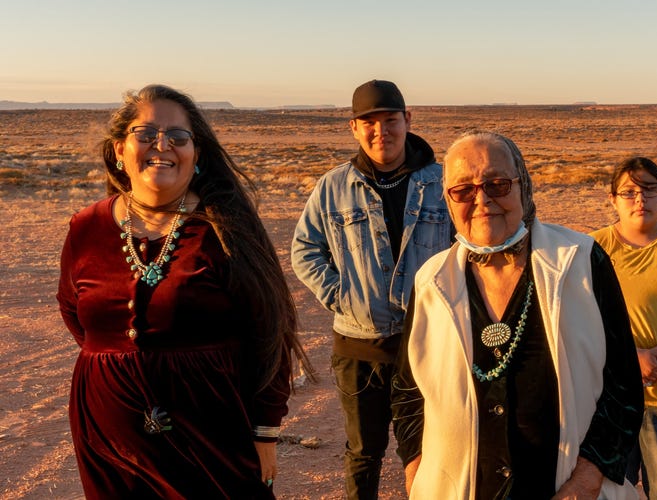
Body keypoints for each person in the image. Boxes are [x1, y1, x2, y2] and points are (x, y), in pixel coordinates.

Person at [57, 84, 310, 498]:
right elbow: (73, 310)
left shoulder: (226, 230)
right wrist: (117, 365)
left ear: (197, 155)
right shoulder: (86, 227)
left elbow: (270, 331)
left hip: (210, 432)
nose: (163, 145)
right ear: (120, 150)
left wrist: (265, 432)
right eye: (146, 134)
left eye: (179, 137)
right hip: (108, 433)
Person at [391, 130, 644, 499]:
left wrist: (587, 482)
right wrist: (417, 471)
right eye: (463, 190)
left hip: (566, 489)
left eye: (497, 183)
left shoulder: (581, 261)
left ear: (523, 187)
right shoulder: (431, 280)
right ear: (448, 201)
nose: (482, 199)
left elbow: (623, 386)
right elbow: (408, 389)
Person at [291, 79, 453, 499]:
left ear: (407, 120)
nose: (381, 131)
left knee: (427, 450)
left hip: (427, 343)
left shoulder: (442, 182)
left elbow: (465, 248)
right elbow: (305, 249)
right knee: (364, 452)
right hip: (360, 348)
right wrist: (342, 297)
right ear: (354, 127)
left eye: (390, 120)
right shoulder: (333, 187)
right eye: (370, 122)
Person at [590, 157, 657, 499]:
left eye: (650, 189)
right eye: (629, 191)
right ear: (613, 199)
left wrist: (655, 358)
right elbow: (582, 319)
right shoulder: (593, 249)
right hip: (608, 397)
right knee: (608, 489)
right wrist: (632, 357)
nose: (641, 199)